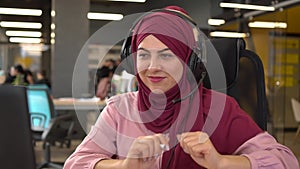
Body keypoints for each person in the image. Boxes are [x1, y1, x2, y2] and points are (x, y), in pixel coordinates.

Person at [64, 6, 299, 169]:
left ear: (190, 61)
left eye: (167, 56)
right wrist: (124, 165)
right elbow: (75, 163)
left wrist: (221, 162)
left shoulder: (220, 107)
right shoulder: (119, 109)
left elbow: (285, 161)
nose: (152, 67)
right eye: (143, 55)